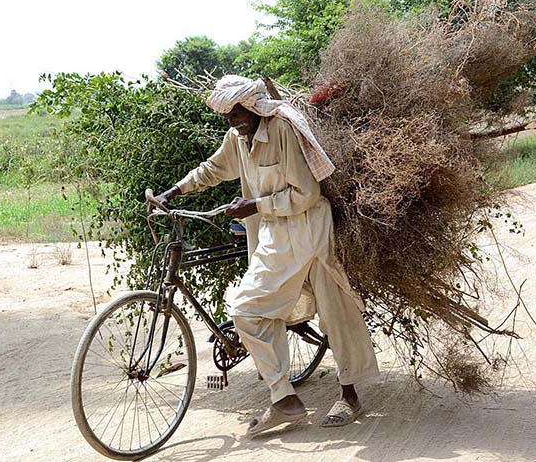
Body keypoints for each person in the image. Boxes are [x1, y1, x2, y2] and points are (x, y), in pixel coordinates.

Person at [155, 75, 378, 435]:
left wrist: (255, 204)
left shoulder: (283, 129)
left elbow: (306, 194)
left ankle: (346, 396)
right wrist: (174, 191)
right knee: (252, 311)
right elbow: (213, 169)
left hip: (308, 228)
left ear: (255, 105)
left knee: (332, 311)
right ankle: (283, 399)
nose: (234, 118)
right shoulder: (237, 139)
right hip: (276, 234)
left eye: (240, 110)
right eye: (228, 112)